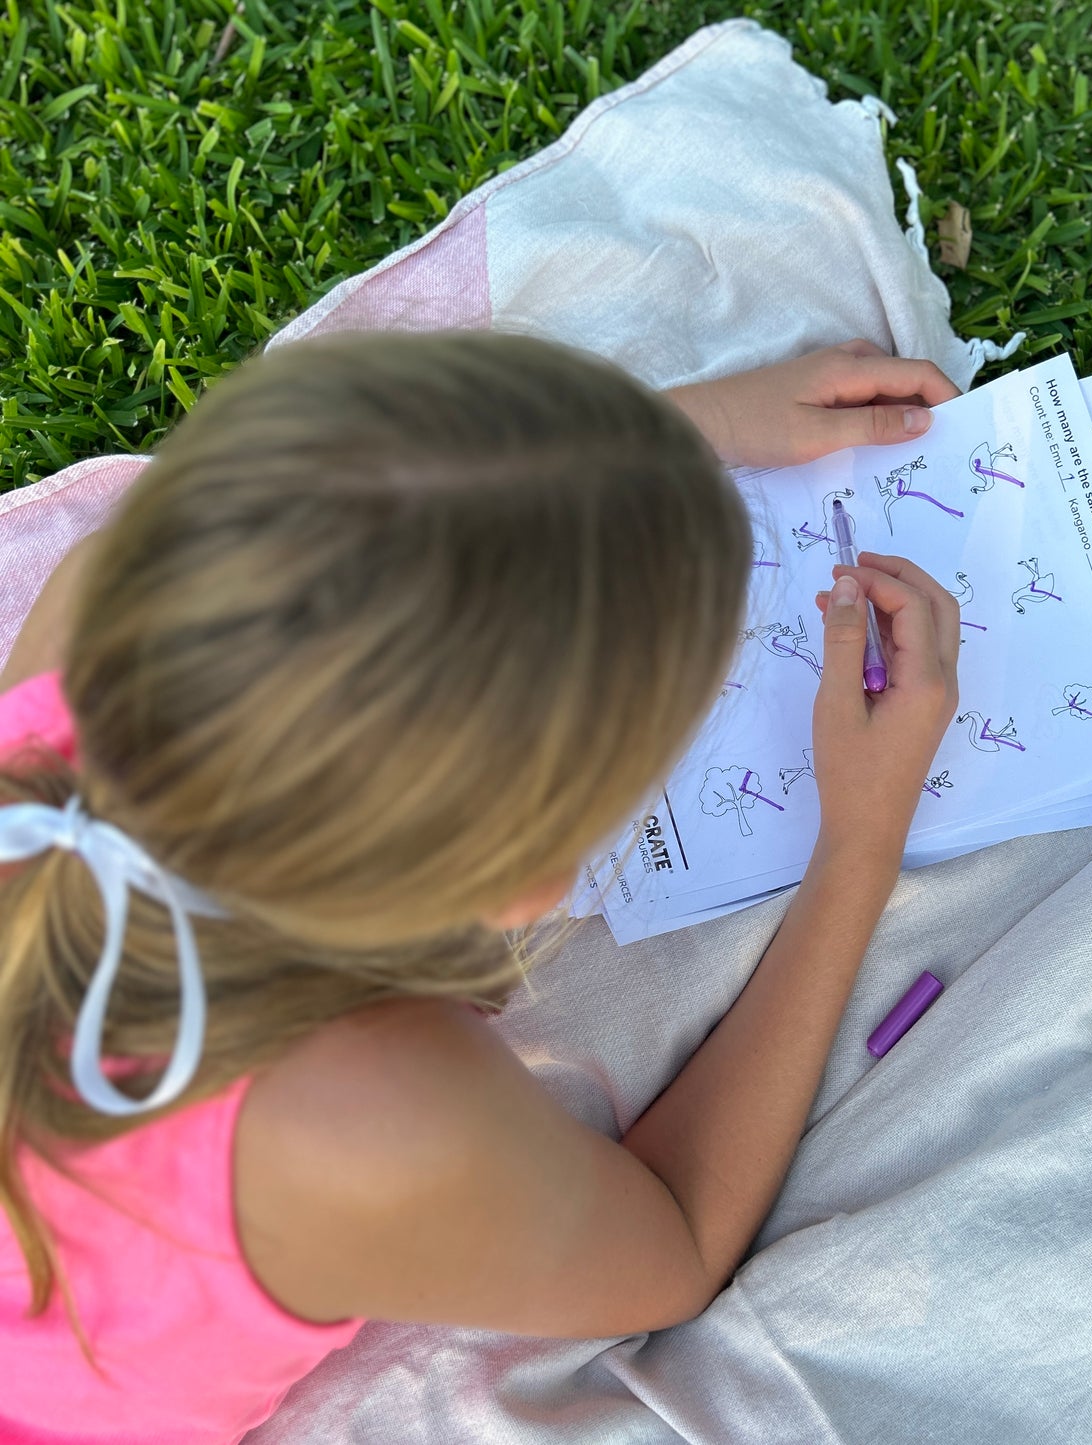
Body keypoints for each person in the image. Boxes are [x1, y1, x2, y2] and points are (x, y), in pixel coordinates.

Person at [0, 329, 961, 1442]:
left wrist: (660, 445)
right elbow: (677, 1240)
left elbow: (368, 528)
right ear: (525, 885)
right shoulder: (370, 1116)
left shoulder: (94, 617)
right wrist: (859, 841)